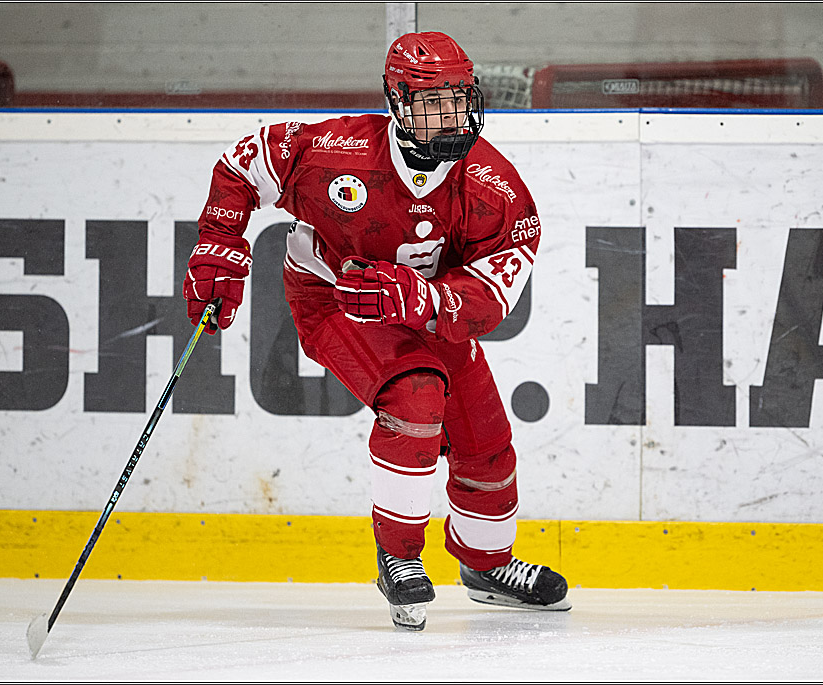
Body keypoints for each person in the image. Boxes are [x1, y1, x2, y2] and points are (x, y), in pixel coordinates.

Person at [183, 31, 570, 631]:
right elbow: (242, 165)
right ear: (396, 100)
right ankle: (399, 557)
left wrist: (424, 297)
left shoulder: (494, 187)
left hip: (430, 314)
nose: (452, 115)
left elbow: (492, 299)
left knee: (485, 442)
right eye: (431, 102)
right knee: (415, 396)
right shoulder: (333, 150)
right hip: (333, 301)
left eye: (460, 98)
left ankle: (487, 565)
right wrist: (218, 243)